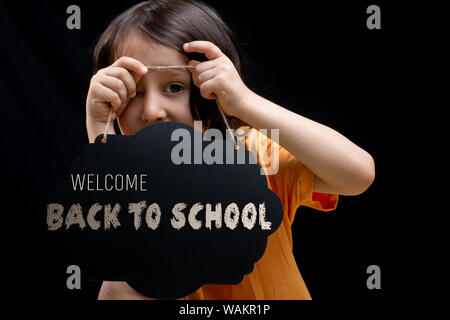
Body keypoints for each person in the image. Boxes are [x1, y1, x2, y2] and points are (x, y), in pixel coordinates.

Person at [86, 0, 375, 300]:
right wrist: (100, 132)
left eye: (175, 87)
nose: (152, 111)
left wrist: (244, 102)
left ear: (211, 93)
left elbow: (358, 174)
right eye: (134, 92)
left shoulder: (253, 155)